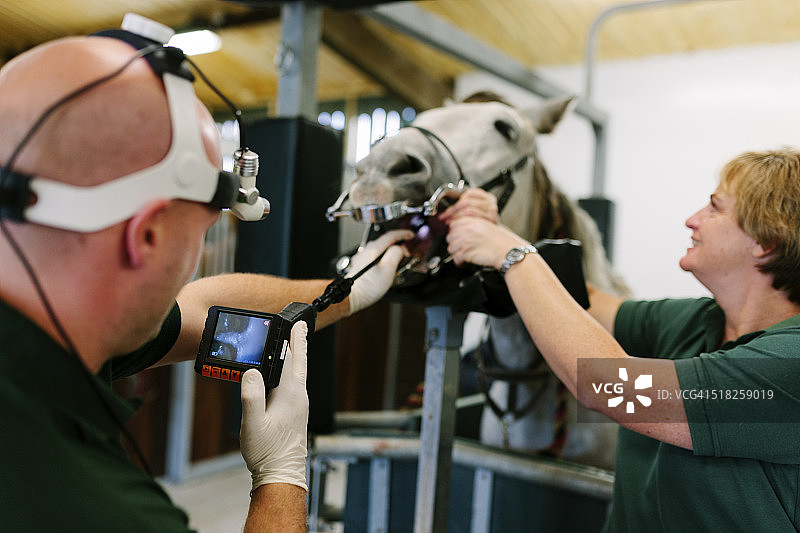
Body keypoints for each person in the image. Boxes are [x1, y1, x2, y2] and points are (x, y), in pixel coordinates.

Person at [0, 33, 419, 532]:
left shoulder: (56, 320)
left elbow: (203, 307)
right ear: (148, 235)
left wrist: (350, 289)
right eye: (200, 231)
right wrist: (281, 476)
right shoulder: (97, 507)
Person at [445, 147, 800, 532]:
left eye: (715, 208)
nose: (692, 220)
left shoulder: (786, 367)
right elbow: (586, 301)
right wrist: (501, 228)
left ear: (767, 238)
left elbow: (608, 385)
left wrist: (511, 254)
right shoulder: (700, 321)